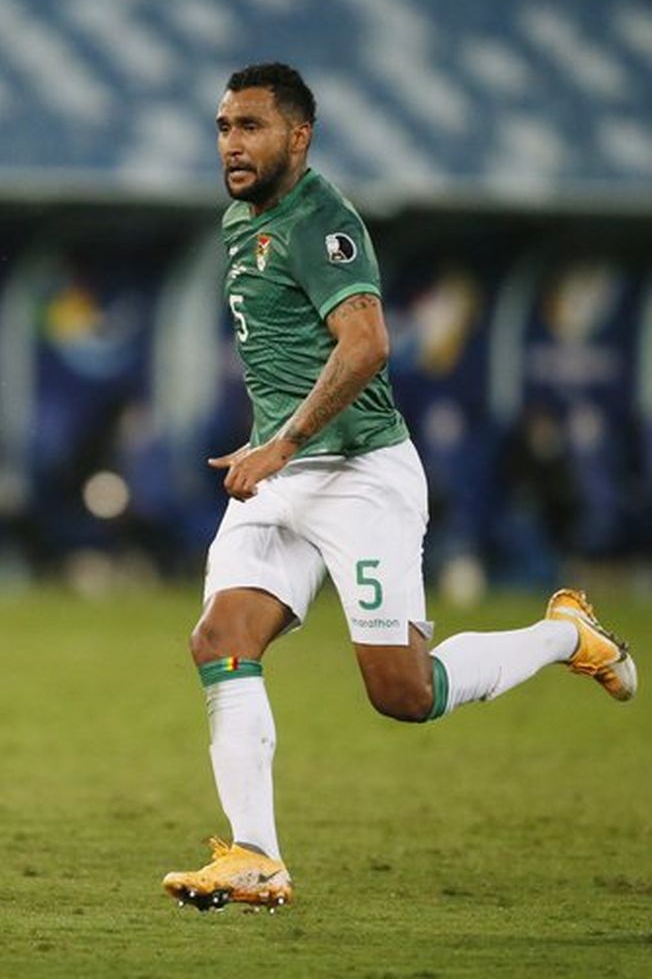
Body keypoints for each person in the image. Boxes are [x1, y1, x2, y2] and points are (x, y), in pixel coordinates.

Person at [161, 63, 637, 911]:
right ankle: (256, 858)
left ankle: (565, 635)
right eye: (225, 127)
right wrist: (272, 446)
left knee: (404, 695)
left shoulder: (323, 222)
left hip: (359, 477)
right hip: (280, 476)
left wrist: (284, 442)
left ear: (298, 136)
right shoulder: (244, 221)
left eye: (251, 127)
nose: (232, 144)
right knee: (219, 639)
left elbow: (368, 345)